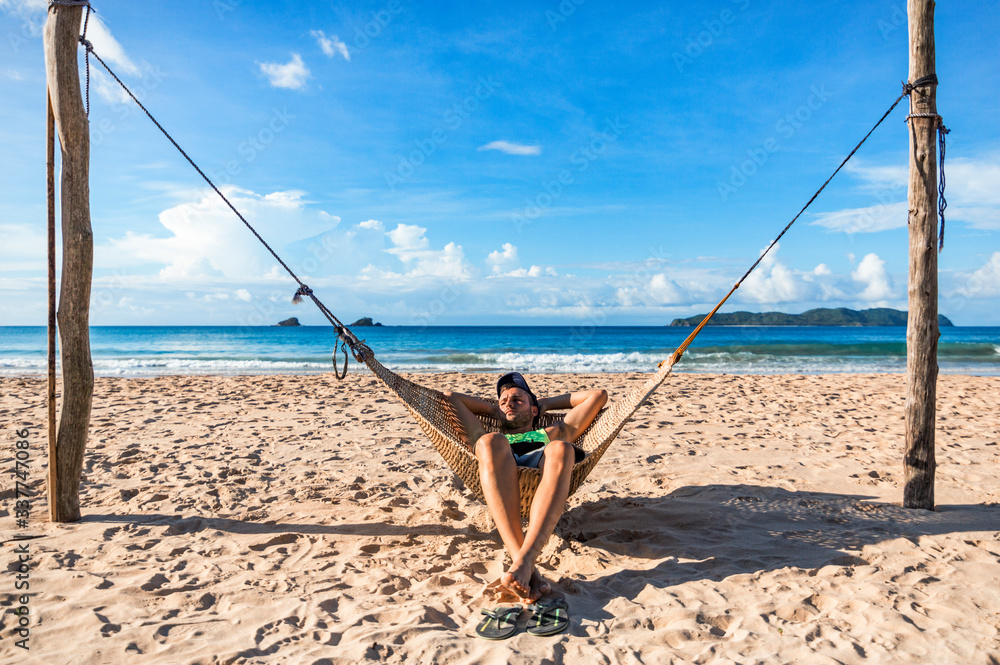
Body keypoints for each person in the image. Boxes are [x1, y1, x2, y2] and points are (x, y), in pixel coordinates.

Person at [443, 372, 607, 602]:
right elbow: (451, 398)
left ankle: (522, 563)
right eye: (504, 401)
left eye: (517, 400)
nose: (509, 403)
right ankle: (527, 565)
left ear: (533, 410)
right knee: (490, 441)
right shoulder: (489, 436)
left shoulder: (551, 432)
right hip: (498, 461)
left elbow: (598, 396)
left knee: (562, 448)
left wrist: (546, 403)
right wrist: (495, 410)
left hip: (542, 463)